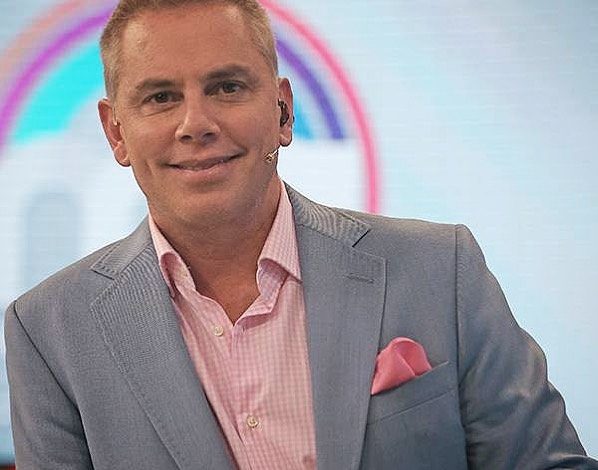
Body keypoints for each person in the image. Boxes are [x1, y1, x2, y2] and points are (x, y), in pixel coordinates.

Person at [4, 0, 597, 469]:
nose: (195, 124)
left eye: (227, 87)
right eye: (161, 98)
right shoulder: (48, 330)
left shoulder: (441, 269)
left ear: (283, 112)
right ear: (116, 132)